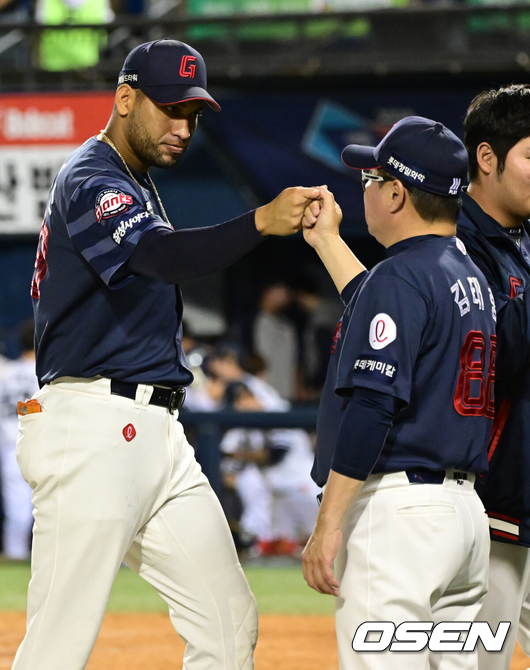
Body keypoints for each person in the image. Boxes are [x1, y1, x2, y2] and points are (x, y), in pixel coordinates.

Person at [13, 38, 321, 670]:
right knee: (56, 647)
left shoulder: (136, 182)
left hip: (158, 435)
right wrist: (259, 221)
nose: (184, 127)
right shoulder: (92, 176)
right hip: (94, 425)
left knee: (229, 624)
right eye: (170, 109)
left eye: (195, 114)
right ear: (125, 99)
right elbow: (163, 257)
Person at [300, 116, 495, 670]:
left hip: (401, 516)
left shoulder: (400, 277)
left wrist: (328, 525)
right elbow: (383, 303)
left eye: (371, 178)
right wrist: (328, 243)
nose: (365, 188)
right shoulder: (469, 277)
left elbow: (372, 406)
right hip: (463, 518)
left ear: (395, 192)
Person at [456, 84, 530, 670]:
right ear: (488, 158)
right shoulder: (459, 247)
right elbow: (497, 362)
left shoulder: (520, 242)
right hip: (488, 500)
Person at [0, 320, 37, 560]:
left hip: (9, 445)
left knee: (17, 510)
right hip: (38, 444)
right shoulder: (46, 373)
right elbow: (33, 408)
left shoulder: (6, 372)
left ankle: (15, 555)